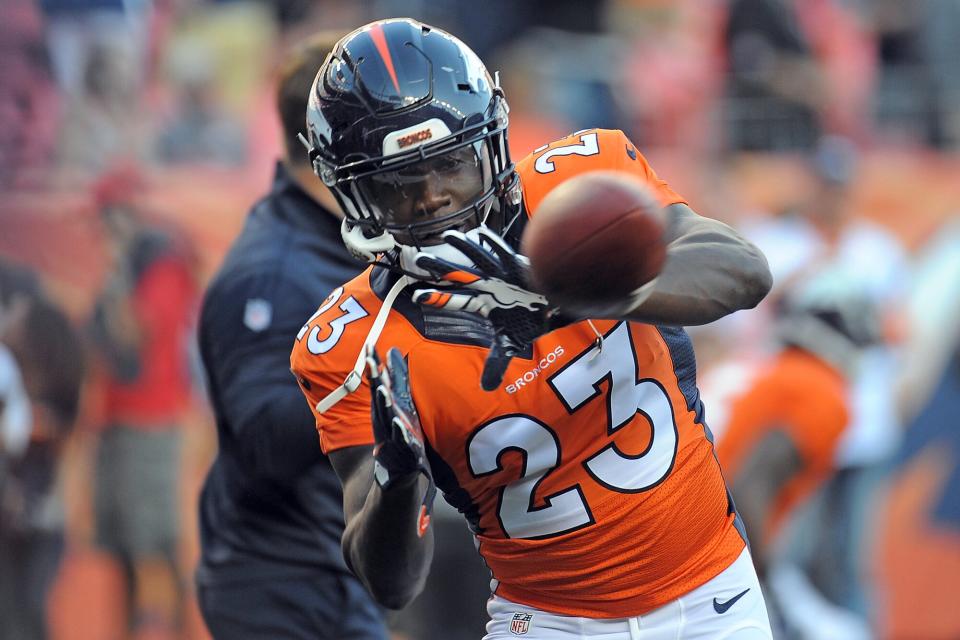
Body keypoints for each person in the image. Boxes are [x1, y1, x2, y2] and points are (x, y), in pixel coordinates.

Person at [290, 19, 774, 639]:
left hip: (714, 593)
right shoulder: (350, 342)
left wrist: (577, 292)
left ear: (489, 141)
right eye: (401, 182)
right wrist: (396, 478)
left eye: (451, 164)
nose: (434, 196)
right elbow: (392, 582)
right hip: (548, 624)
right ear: (356, 192)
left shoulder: (580, 189)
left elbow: (743, 271)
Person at [194, 33, 388, 640]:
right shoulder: (274, 273)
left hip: (328, 573)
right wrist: (389, 374)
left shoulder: (340, 245)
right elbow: (264, 439)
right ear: (345, 141)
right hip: (282, 585)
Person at [712, 270, 878, 639]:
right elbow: (750, 484)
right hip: (713, 553)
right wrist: (761, 579)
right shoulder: (821, 391)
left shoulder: (766, 369)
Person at [87, 166, 198, 635]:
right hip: (116, 418)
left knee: (159, 543)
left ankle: (183, 630)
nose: (101, 229)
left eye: (107, 216)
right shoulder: (134, 264)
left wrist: (115, 274)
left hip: (151, 420)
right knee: (122, 546)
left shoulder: (160, 263)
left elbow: (135, 335)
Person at [0, 259, 86, 640]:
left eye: (12, 309)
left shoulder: (60, 359)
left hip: (43, 513)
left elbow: (70, 434)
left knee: (29, 611)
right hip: (14, 509)